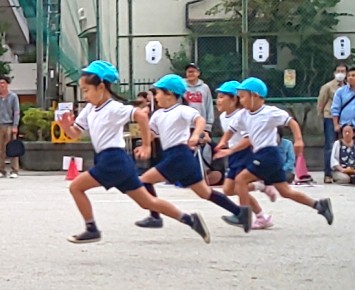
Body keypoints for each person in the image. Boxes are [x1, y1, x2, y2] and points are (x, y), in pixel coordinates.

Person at [58, 60, 210, 244]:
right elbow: (75, 132)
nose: (85, 95)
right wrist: (66, 127)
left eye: (86, 90)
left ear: (101, 87)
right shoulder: (90, 109)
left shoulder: (113, 107)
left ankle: (91, 229)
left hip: (112, 160)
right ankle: (190, 220)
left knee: (76, 187)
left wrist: (146, 145)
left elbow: (141, 115)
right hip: (115, 161)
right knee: (147, 202)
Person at [134, 74, 252, 232]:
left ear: (169, 93)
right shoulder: (158, 115)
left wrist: (196, 135)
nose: (155, 97)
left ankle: (155, 217)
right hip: (179, 157)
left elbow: (200, 120)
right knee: (205, 193)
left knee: (144, 181)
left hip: (179, 155)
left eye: (158, 93)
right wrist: (143, 140)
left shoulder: (182, 110)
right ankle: (239, 212)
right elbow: (152, 133)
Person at [227, 77, 334, 226]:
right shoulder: (246, 114)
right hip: (266, 155)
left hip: (268, 154)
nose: (241, 100)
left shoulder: (270, 112)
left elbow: (291, 122)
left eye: (243, 96)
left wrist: (298, 140)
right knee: (285, 191)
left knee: (240, 180)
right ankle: (319, 205)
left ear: (255, 95)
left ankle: (244, 215)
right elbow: (231, 130)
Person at [213, 80, 276, 229]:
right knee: (228, 190)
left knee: (240, 186)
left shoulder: (242, 116)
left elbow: (249, 139)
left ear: (234, 99)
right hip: (234, 155)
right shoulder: (223, 117)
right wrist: (223, 145)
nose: (218, 100)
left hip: (244, 154)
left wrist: (231, 149)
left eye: (222, 97)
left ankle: (254, 215)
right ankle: (261, 192)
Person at [317, 63, 348, 183]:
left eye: (343, 71)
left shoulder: (348, 87)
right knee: (330, 144)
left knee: (344, 144)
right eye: (338, 71)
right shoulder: (328, 87)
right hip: (329, 117)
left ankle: (341, 170)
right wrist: (322, 116)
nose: (340, 73)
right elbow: (321, 103)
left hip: (344, 118)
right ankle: (328, 173)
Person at [184, 63, 214, 135]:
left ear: (198, 73)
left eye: (193, 71)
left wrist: (208, 124)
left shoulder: (205, 87)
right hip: (185, 125)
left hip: (201, 124)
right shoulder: (182, 87)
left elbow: (209, 105)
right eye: (189, 72)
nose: (191, 74)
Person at [0, 75, 20, 178]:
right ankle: (1, 170)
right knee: (0, 149)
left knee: (12, 148)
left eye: (3, 83)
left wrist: (15, 126)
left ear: (7, 84)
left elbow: (16, 112)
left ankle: (14, 170)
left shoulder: (13, 96)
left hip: (9, 125)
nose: (1, 85)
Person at [332, 67, 355, 131]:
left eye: (353, 76)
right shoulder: (340, 91)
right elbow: (335, 109)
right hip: (344, 126)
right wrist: (336, 125)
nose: (350, 77)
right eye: (348, 76)